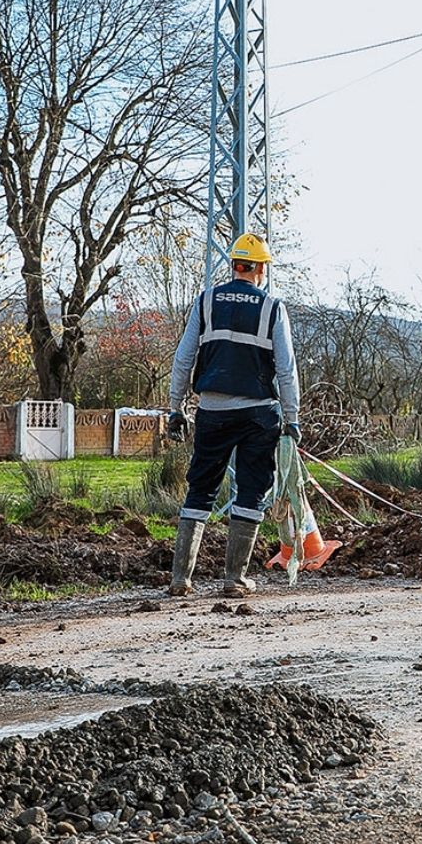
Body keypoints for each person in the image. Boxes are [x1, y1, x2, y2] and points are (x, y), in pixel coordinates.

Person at [166, 234, 300, 598]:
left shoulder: (206, 301)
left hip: (212, 410)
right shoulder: (272, 308)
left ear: (235, 265)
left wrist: (175, 408)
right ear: (259, 268)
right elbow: (286, 369)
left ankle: (181, 579)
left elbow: (183, 359)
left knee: (201, 489)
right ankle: (234, 579)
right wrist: (293, 418)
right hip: (259, 413)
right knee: (253, 489)